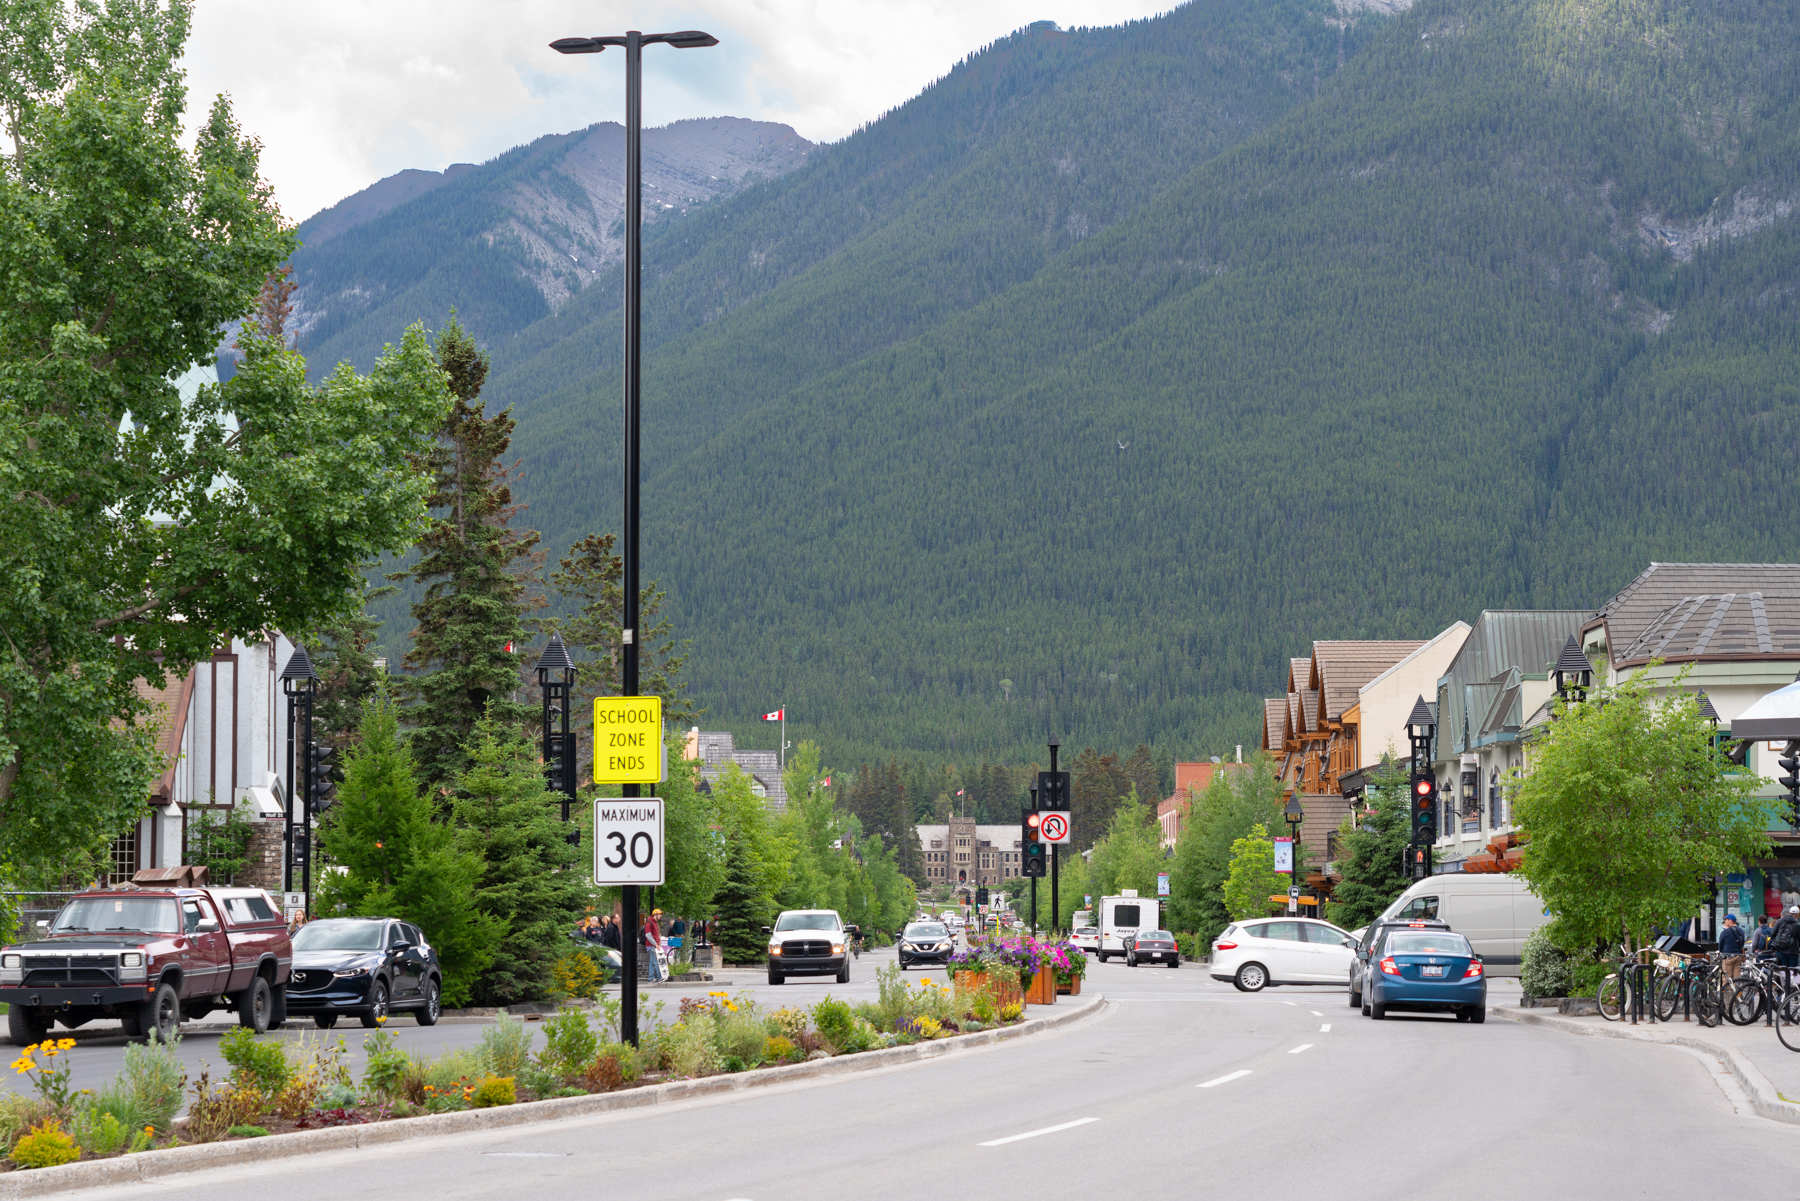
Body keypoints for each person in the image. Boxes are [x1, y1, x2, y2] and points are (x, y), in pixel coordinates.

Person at [1772, 906, 1800, 970]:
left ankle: (1785, 980)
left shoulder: (1780, 922)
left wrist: (1777, 943)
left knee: (1784, 971)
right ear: (1798, 914)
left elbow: (1772, 933)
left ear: (1789, 912)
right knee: (1794, 971)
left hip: (1781, 950)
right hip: (1793, 951)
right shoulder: (1797, 925)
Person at [1719, 914, 1745, 979]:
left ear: (1730, 921)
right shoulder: (1741, 930)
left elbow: (1720, 945)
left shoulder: (1725, 932)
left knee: (1727, 977)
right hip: (1738, 956)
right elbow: (1742, 943)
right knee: (1737, 977)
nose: (1724, 921)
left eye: (1725, 920)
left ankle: (1728, 989)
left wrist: (1721, 952)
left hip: (1728, 957)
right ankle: (1737, 989)